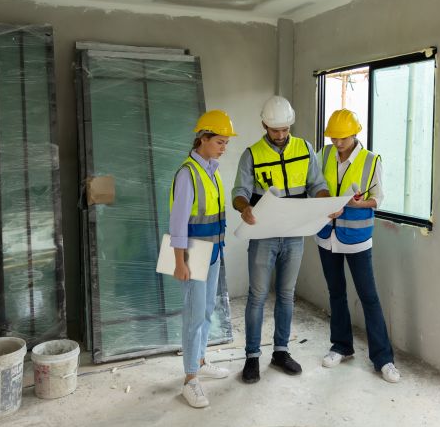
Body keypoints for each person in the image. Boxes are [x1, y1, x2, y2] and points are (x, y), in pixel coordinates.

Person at [232, 96, 330, 383]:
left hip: (294, 235)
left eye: (285, 129)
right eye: (275, 130)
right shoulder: (252, 154)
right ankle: (252, 357)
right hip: (264, 236)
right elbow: (240, 190)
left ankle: (281, 352)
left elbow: (317, 185)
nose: (281, 135)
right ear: (264, 125)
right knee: (258, 296)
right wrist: (244, 207)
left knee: (287, 295)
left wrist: (327, 203)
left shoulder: (305, 148)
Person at [315, 109, 400, 383]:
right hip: (327, 235)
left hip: (357, 238)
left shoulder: (371, 161)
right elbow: (315, 185)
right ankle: (341, 346)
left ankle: (383, 359)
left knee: (369, 297)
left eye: (343, 138)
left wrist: (356, 204)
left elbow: (379, 199)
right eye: (334, 138)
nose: (338, 143)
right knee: (336, 292)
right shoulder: (324, 154)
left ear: (355, 133)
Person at [169, 109, 238, 408]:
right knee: (194, 315)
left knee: (207, 309)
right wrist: (179, 262)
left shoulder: (212, 170)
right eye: (220, 142)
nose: (224, 147)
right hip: (194, 253)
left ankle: (200, 359)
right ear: (203, 139)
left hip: (213, 251)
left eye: (225, 142)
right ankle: (190, 378)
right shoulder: (187, 173)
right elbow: (178, 222)